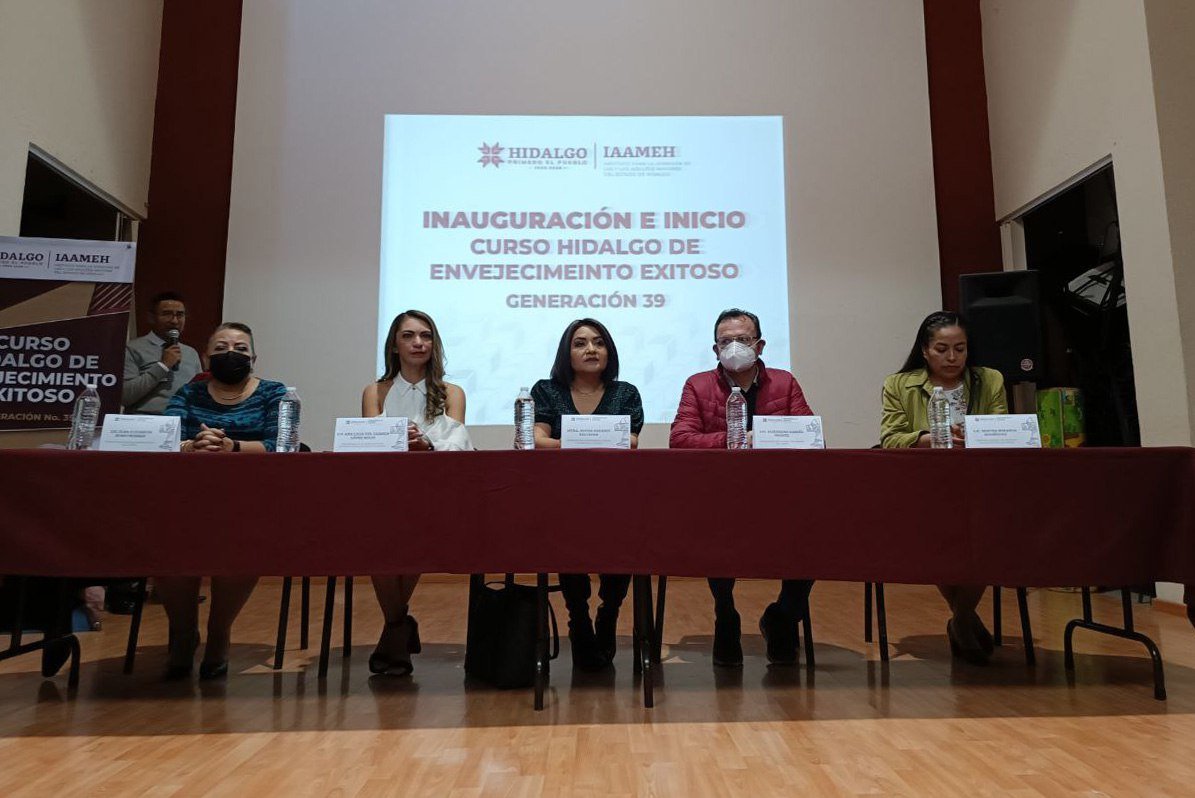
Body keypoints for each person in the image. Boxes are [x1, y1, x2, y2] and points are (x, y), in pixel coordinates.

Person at [669, 308, 815, 667]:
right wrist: (735, 439)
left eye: (743, 340)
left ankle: (783, 616)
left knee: (817, 532)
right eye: (726, 341)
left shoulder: (784, 383)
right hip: (719, 497)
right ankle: (725, 614)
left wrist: (765, 438)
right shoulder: (698, 385)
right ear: (715, 349)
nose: (734, 347)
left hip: (778, 496)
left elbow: (811, 437)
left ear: (760, 345)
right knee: (713, 530)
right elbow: (680, 439)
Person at [157, 322, 285, 679]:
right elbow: (166, 436)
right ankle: (183, 632)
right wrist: (192, 445)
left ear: (254, 358)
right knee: (165, 544)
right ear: (206, 358)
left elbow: (282, 445)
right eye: (222, 348)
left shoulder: (274, 393)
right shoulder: (189, 393)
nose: (231, 354)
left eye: (241, 349)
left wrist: (233, 447)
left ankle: (219, 632)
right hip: (189, 495)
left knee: (242, 545)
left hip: (251, 497)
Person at [880, 310, 1007, 664]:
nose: (952, 358)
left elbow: (1002, 429)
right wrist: (929, 437)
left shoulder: (989, 379)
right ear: (924, 350)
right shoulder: (899, 384)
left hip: (980, 485)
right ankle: (965, 620)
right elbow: (890, 439)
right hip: (925, 487)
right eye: (942, 349)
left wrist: (978, 434)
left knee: (985, 539)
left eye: (960, 349)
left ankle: (961, 619)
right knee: (938, 538)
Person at [361, 310, 472, 676]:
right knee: (380, 544)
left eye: (425, 336)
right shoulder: (375, 391)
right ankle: (397, 625)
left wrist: (425, 444)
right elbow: (370, 442)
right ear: (395, 344)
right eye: (408, 336)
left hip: (432, 490)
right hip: (386, 490)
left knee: (413, 539)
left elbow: (458, 443)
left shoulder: (452, 392)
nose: (418, 343)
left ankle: (394, 631)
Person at [532, 318, 644, 669]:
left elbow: (630, 441)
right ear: (566, 353)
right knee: (566, 534)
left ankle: (609, 613)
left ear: (609, 351)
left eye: (598, 342)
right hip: (562, 496)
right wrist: (591, 440)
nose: (591, 349)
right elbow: (536, 440)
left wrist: (568, 442)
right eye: (580, 343)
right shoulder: (546, 390)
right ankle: (578, 618)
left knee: (625, 535)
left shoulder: (625, 392)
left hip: (615, 497)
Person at [122, 291, 203, 414]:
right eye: (167, 314)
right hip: (145, 420)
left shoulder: (191, 353)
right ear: (151, 317)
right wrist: (163, 366)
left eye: (180, 315)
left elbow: (200, 394)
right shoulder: (132, 348)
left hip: (183, 421)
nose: (174, 321)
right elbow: (125, 396)